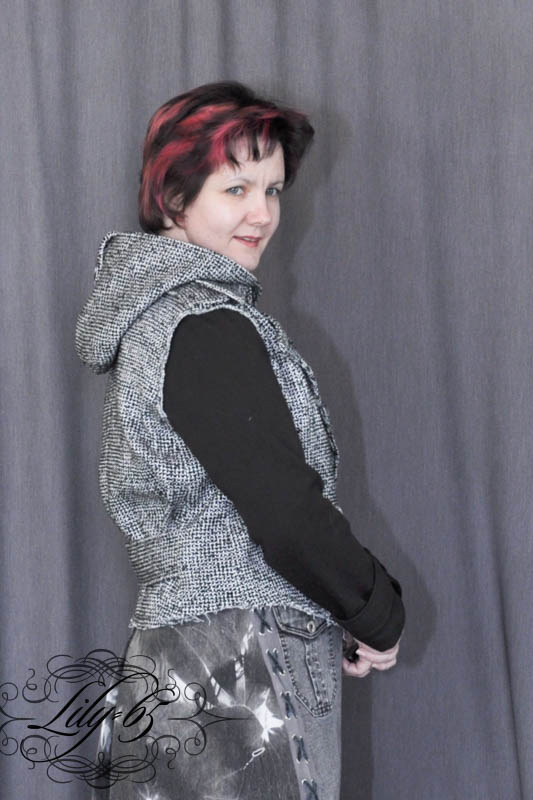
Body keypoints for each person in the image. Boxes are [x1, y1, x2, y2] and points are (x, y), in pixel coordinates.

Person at [75, 80, 404, 800]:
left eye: (273, 190)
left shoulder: (160, 321)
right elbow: (285, 514)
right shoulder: (203, 326)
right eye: (236, 189)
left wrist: (339, 606)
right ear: (173, 198)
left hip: (175, 660)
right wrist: (376, 610)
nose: (263, 213)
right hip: (243, 665)